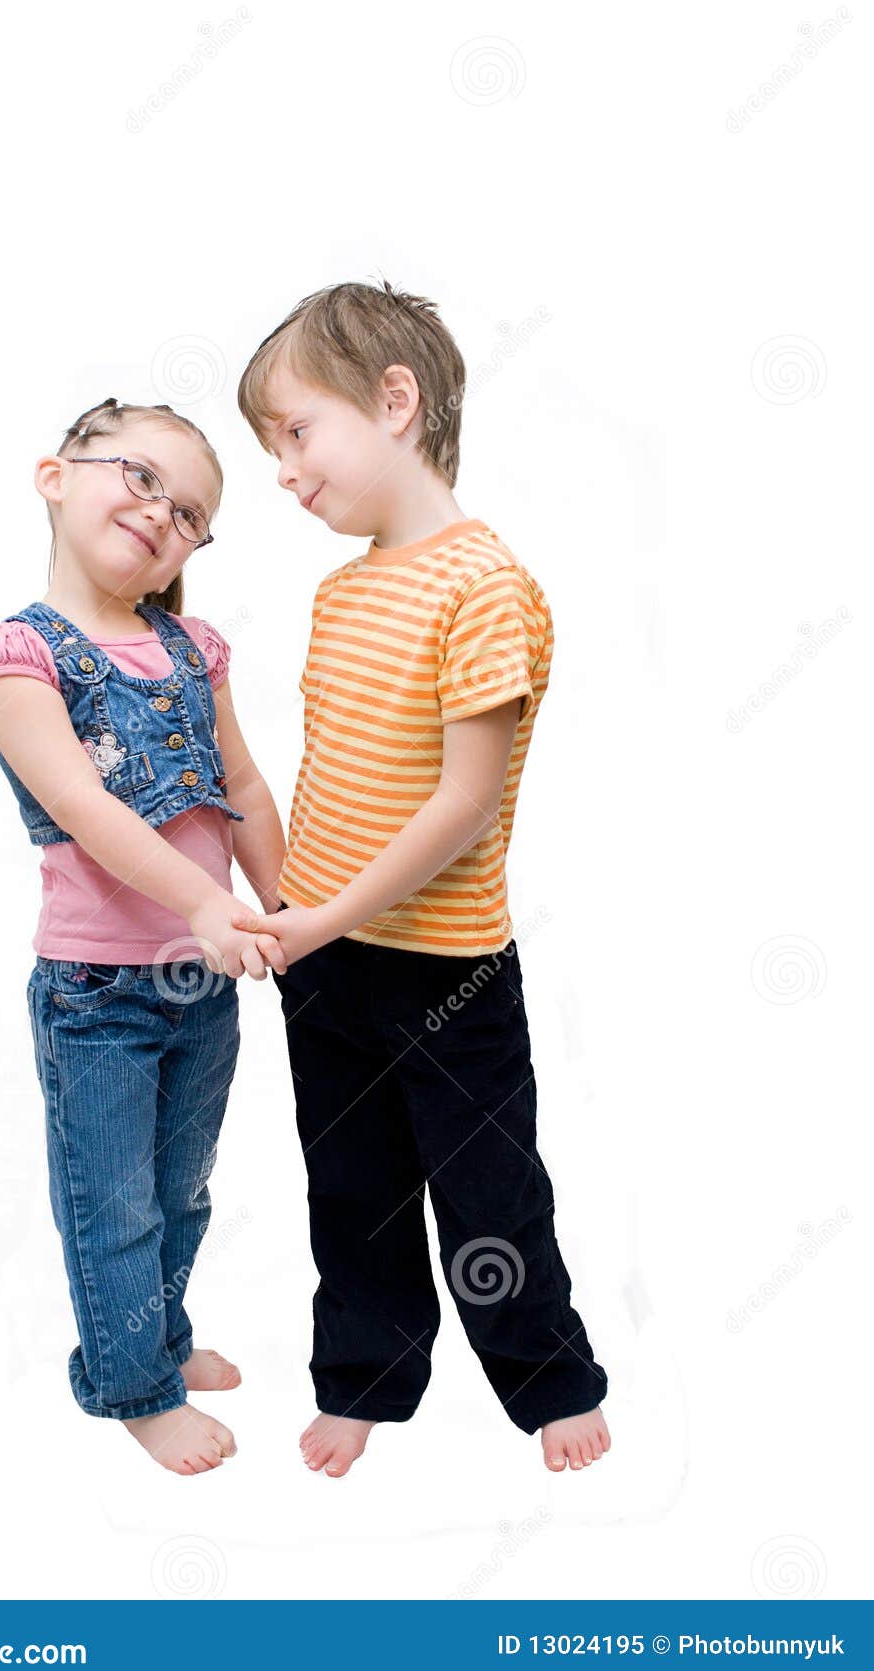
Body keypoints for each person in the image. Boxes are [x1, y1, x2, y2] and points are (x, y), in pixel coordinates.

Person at [234, 283, 611, 1478]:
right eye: (269, 448)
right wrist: (291, 905)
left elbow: (461, 806)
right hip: (324, 960)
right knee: (352, 1187)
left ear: (394, 401)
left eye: (297, 432)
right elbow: (332, 771)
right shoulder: (344, 591)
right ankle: (365, 1376)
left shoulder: (482, 582)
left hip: (445, 972)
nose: (284, 473)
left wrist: (323, 916)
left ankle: (548, 1378)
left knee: (489, 1190)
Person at [0, 396, 287, 1475]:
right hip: (98, 992)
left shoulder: (194, 647)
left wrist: (282, 910)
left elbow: (238, 783)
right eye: (139, 476)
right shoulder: (20, 656)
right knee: (114, 1203)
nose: (161, 513)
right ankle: (130, 1385)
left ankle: (159, 1336)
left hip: (206, 987)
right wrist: (201, 903)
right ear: (55, 475)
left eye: (190, 511)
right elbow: (90, 812)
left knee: (183, 1188)